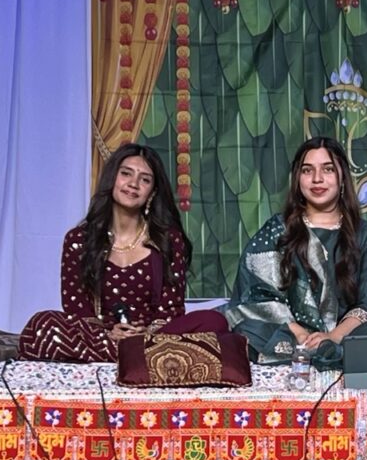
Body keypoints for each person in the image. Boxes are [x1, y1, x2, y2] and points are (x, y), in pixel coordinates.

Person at [18, 143, 227, 362]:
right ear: (112, 179)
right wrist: (109, 334)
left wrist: (146, 334)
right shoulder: (78, 240)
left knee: (214, 322)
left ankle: (136, 352)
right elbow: (77, 310)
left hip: (154, 338)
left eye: (145, 179)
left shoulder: (168, 240)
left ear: (152, 192)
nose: (133, 184)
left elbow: (170, 310)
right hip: (101, 338)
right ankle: (135, 357)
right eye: (126, 174)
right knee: (43, 325)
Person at [221, 136, 367, 368]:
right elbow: (256, 297)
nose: (317, 179)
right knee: (242, 325)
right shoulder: (278, 230)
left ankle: (325, 353)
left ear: (342, 177)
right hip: (292, 335)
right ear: (297, 179)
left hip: (343, 336)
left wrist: (332, 337)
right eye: (307, 170)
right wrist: (301, 334)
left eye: (328, 169)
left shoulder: (366, 235)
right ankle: (331, 357)